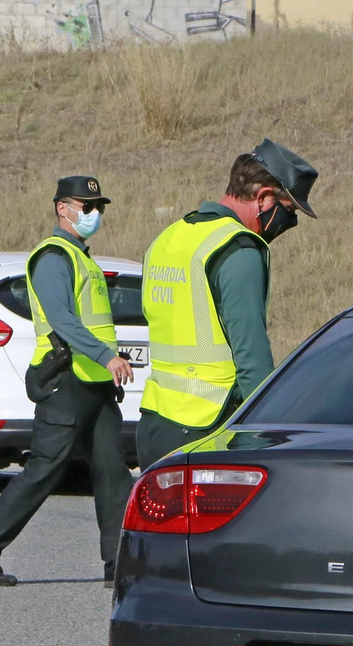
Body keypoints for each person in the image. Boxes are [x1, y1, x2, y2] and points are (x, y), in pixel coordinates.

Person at [0, 176, 134, 587]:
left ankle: (120, 564)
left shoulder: (81, 257)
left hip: (94, 386)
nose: (94, 214)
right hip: (66, 383)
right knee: (44, 470)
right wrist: (107, 356)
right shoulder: (53, 257)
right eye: (85, 206)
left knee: (113, 474)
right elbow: (63, 320)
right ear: (62, 209)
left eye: (99, 207)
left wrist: (110, 363)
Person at [135, 140, 318, 469]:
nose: (288, 224)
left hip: (154, 422)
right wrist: (266, 438)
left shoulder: (167, 239)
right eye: (289, 211)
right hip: (208, 428)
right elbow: (252, 360)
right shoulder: (238, 250)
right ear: (262, 198)